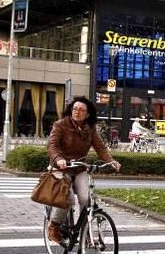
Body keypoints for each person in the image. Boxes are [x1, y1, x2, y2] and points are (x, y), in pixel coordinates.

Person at [45, 96, 120, 244]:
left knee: (86, 200)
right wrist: (59, 159)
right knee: (68, 199)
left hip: (79, 168)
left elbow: (100, 148)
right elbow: (52, 146)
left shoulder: (90, 129)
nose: (77, 112)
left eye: (81, 110)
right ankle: (53, 226)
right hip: (61, 167)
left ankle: (85, 234)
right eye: (75, 109)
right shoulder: (60, 125)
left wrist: (111, 161)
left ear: (87, 114)